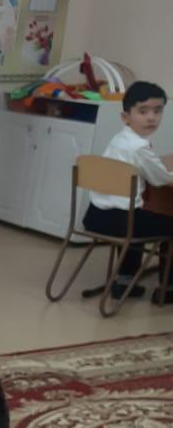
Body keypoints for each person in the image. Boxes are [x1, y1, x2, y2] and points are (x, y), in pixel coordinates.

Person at [81, 80, 173, 302]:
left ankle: (124, 281)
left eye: (157, 111)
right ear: (126, 117)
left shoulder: (119, 139)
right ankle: (168, 289)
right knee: (149, 220)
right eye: (143, 111)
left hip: (95, 216)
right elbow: (160, 179)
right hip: (122, 222)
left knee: (140, 214)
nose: (151, 117)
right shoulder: (139, 147)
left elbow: (145, 169)